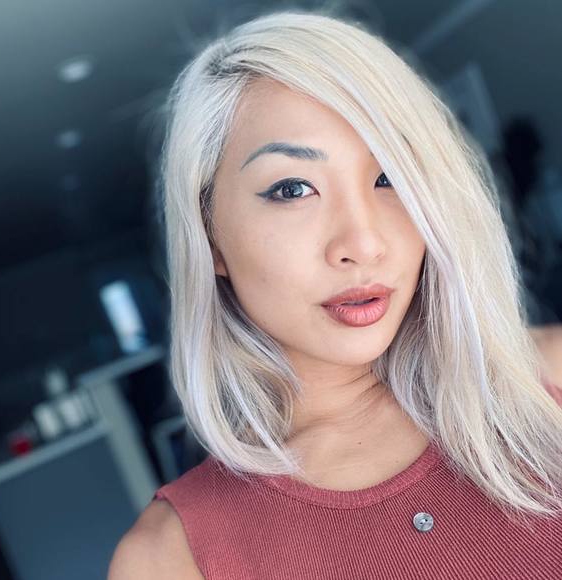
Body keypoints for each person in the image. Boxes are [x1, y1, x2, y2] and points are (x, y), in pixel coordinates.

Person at [108, 10, 562, 580]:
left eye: (390, 176)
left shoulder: (545, 384)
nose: (363, 244)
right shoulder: (169, 558)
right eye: (292, 188)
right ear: (209, 236)